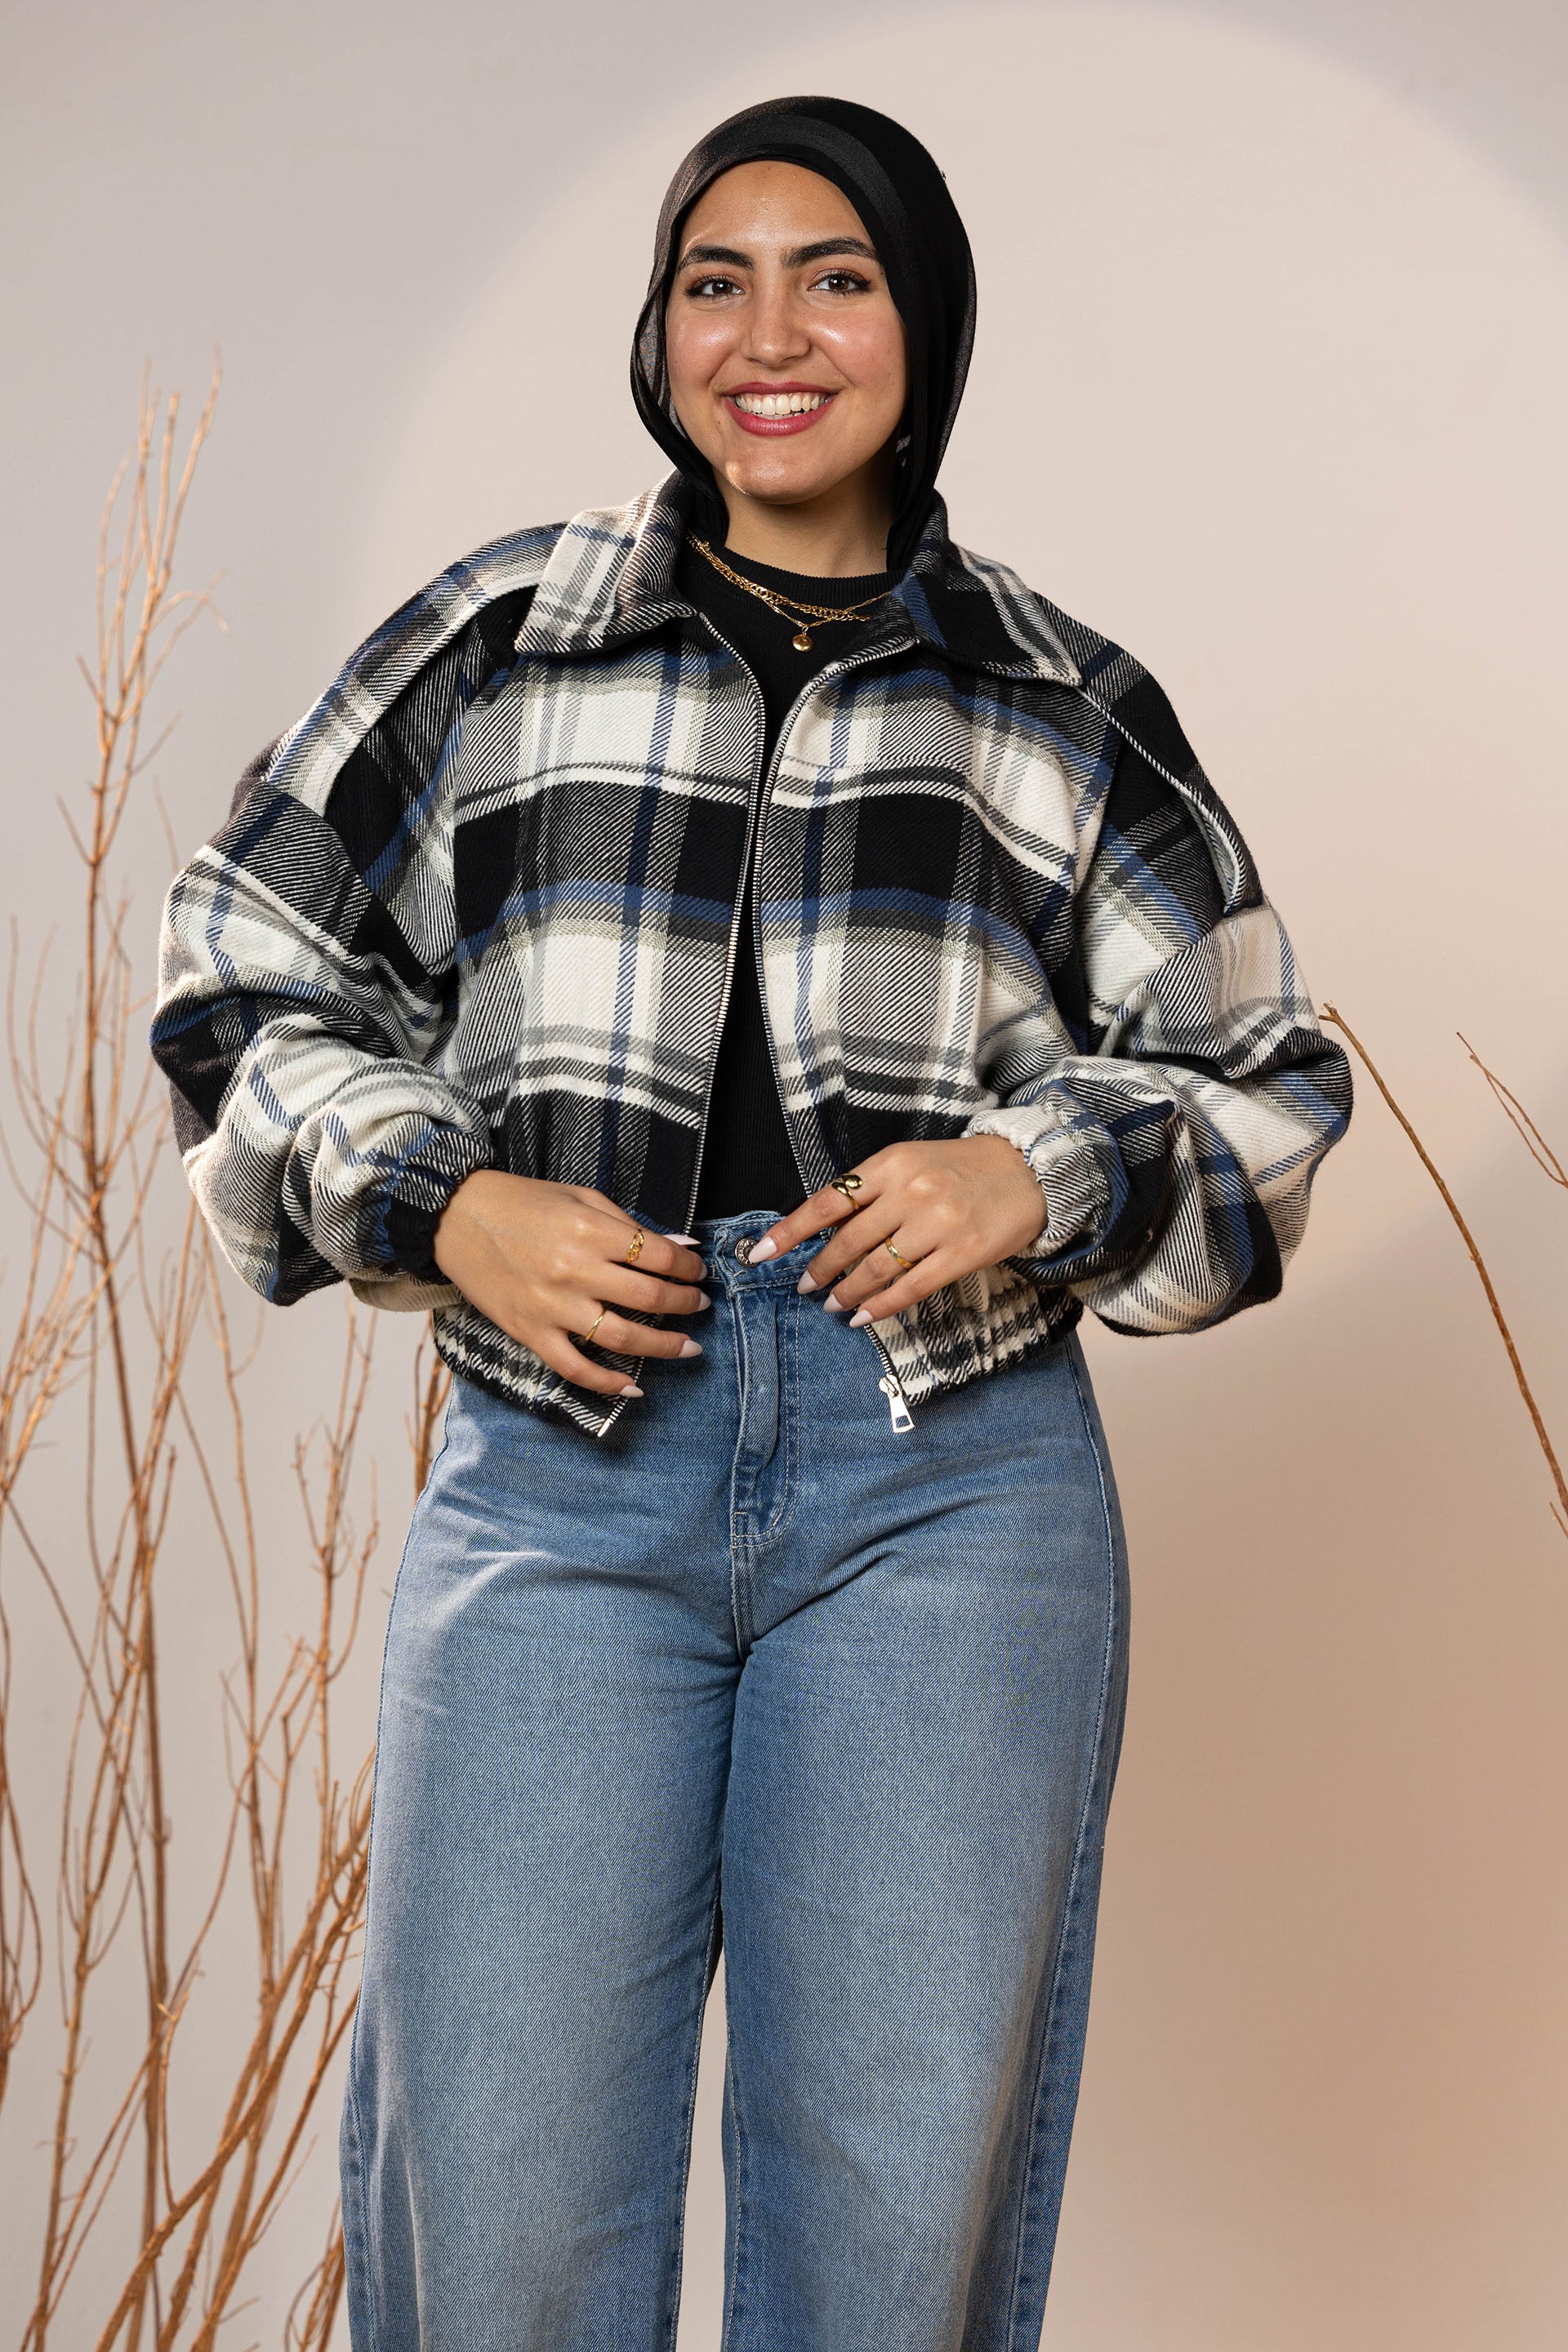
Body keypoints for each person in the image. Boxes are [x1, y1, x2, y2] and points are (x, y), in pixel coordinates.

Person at [151, 93, 1351, 2352]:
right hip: (562, 1470)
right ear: (659, 330)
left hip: (948, 1492)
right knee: (497, 2221)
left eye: (838, 278)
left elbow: (1267, 1074)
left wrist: (1034, 1170)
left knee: (888, 2248)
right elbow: (238, 960)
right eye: (718, 280)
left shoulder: (1056, 700)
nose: (770, 334)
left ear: (928, 327)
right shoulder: (504, 637)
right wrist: (445, 1199)